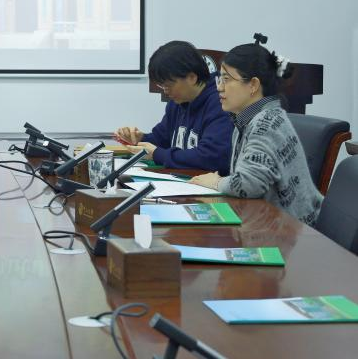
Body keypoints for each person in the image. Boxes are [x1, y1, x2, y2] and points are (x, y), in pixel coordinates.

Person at [191, 34, 323, 226]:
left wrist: (215, 182)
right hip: (264, 222)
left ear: (253, 85)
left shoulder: (265, 123)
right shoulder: (246, 118)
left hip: (291, 232)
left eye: (226, 79)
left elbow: (247, 184)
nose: (219, 87)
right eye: (219, 79)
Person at [114, 41, 233, 172]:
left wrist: (158, 155)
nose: (165, 91)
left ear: (192, 77)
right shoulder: (177, 101)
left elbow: (211, 157)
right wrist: (139, 138)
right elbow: (162, 139)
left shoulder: (221, 103)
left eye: (168, 85)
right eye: (162, 85)